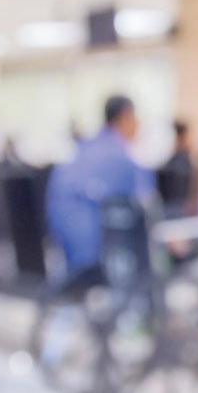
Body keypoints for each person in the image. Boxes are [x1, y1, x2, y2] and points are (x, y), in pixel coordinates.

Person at [46, 95, 154, 276]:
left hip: (57, 231)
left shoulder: (87, 146)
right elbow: (147, 203)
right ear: (126, 116)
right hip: (89, 241)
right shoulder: (122, 157)